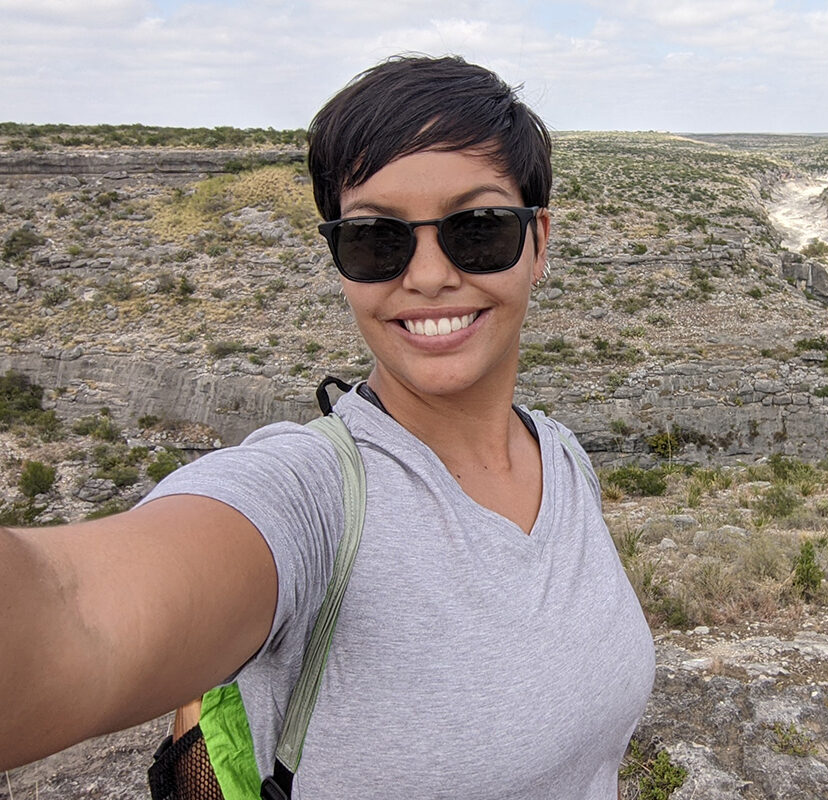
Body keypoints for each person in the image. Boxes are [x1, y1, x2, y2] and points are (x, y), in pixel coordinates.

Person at [0, 55, 656, 798]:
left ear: (539, 243)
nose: (430, 275)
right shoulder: (308, 499)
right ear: (340, 259)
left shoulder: (564, 458)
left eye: (477, 228)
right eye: (378, 238)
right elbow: (73, 615)